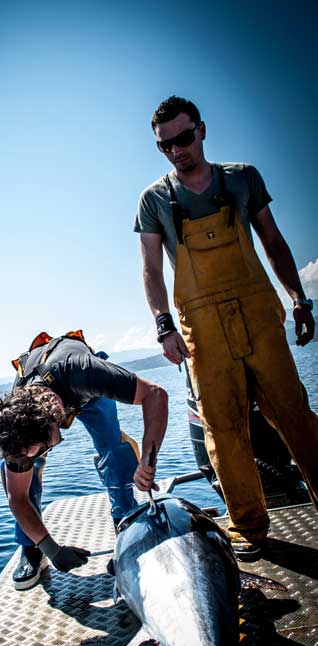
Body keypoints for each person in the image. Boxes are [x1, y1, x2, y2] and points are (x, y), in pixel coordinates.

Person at [134, 95, 318, 561]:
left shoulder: (243, 178)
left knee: (294, 414)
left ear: (202, 129)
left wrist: (298, 298)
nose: (177, 149)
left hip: (259, 313)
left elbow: (273, 242)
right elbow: (152, 272)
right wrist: (163, 326)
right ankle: (249, 525)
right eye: (166, 145)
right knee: (223, 427)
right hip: (201, 327)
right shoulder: (154, 201)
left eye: (184, 137)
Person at [0, 330, 168, 589]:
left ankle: (126, 527)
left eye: (43, 450)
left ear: (56, 424)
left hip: (84, 391)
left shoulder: (84, 372)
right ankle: (31, 549)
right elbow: (16, 497)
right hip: (44, 397)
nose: (42, 455)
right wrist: (51, 548)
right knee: (24, 479)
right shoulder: (16, 425)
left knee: (114, 453)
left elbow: (155, 394)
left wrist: (148, 463)